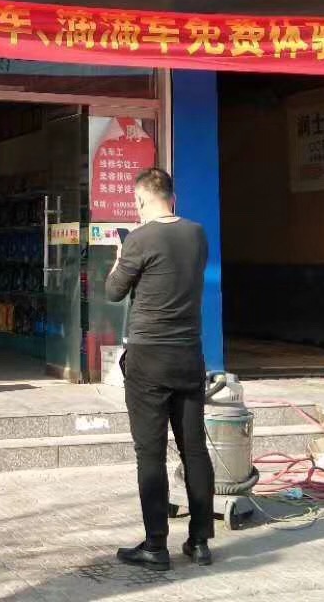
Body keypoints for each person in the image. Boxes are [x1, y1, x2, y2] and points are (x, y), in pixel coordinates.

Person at [105, 167, 215, 571]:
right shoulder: (197, 234)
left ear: (140, 200)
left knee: (149, 453)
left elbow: (113, 292)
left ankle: (155, 545)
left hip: (149, 357)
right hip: (189, 355)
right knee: (194, 449)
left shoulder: (139, 239)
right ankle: (200, 541)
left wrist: (120, 259)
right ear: (172, 197)